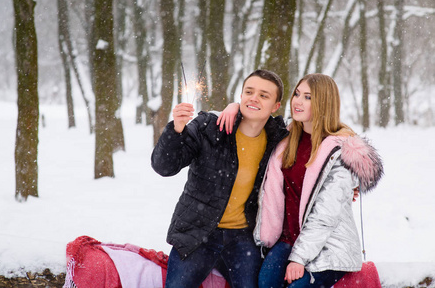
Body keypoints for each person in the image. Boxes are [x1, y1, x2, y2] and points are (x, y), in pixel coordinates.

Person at [220, 73, 383, 288]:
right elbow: (255, 113)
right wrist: (234, 107)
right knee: (265, 283)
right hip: (288, 239)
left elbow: (325, 217)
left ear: (323, 103)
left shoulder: (339, 152)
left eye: (308, 97)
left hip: (329, 245)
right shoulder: (286, 138)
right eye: (297, 94)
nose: (297, 101)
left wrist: (298, 259)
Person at [151, 69, 289, 288]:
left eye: (264, 95)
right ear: (241, 96)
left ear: (275, 107)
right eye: (249, 92)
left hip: (242, 238)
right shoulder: (210, 127)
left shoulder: (278, 139)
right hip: (197, 232)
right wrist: (176, 129)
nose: (254, 98)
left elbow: (314, 151)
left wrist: (346, 185)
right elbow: (164, 166)